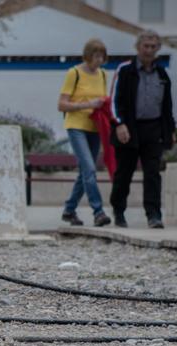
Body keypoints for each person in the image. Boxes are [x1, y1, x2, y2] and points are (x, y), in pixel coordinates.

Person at [109, 30, 175, 229]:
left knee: (153, 173)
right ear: (138, 47)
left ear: (158, 49)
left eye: (153, 47)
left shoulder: (162, 74)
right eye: (146, 46)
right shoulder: (125, 70)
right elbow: (113, 101)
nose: (149, 50)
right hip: (129, 128)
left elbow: (167, 105)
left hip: (153, 129)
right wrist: (119, 124)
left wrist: (170, 129)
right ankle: (119, 211)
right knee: (124, 173)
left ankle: (154, 214)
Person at [58, 39, 112, 227]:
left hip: (95, 128)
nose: (99, 60)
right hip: (76, 126)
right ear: (88, 56)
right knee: (89, 168)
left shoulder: (104, 75)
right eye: (96, 56)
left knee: (84, 173)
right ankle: (98, 212)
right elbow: (62, 104)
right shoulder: (74, 73)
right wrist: (88, 104)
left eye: (102, 57)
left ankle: (69, 210)